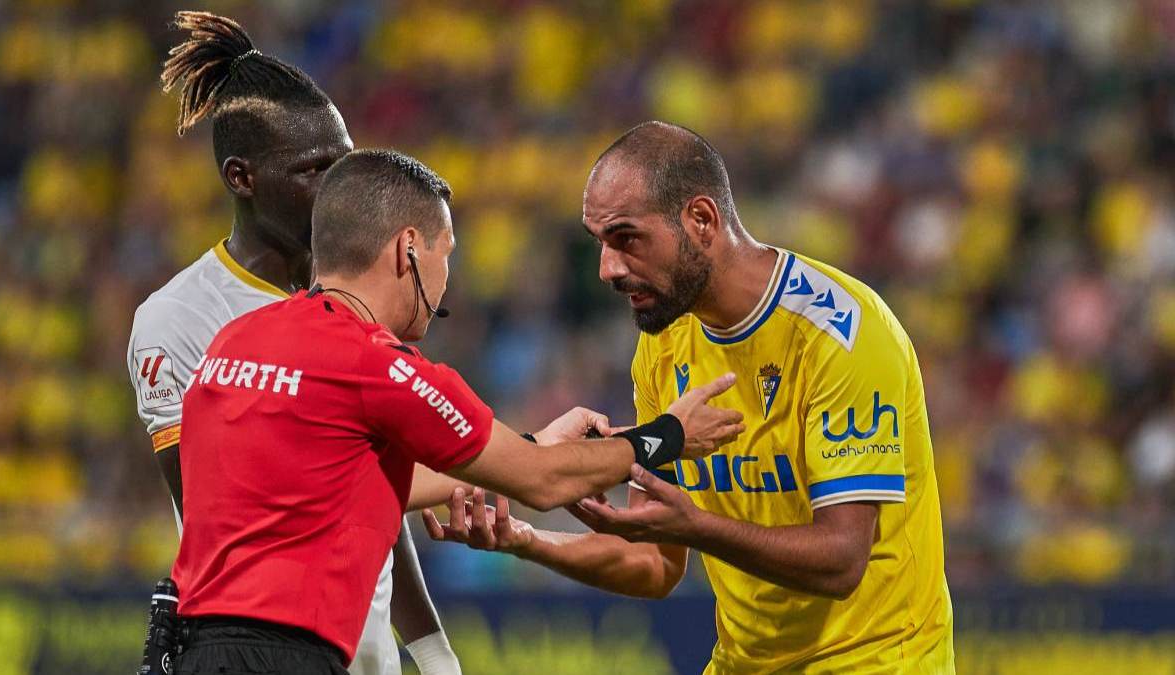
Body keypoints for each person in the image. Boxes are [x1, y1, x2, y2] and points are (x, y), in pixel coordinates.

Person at [168, 147, 744, 675]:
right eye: (446, 257)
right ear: (409, 249)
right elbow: (541, 486)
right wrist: (666, 437)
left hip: (191, 648)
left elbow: (345, 481)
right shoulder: (377, 364)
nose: (444, 286)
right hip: (287, 657)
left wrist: (532, 443)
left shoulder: (236, 341)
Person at [423, 122, 955, 674]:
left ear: (701, 220)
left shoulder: (841, 334)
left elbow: (842, 561)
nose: (608, 269)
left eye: (626, 238)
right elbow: (656, 561)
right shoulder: (666, 342)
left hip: (876, 661)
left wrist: (694, 526)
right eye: (599, 243)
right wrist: (525, 540)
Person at [125, 12, 463, 674]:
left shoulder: (358, 300)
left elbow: (376, 484)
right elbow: (243, 501)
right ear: (241, 177)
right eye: (315, 169)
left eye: (345, 164)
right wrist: (473, 468)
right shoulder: (179, 318)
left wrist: (433, 651)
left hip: (363, 658)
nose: (339, 188)